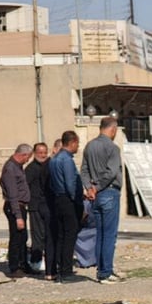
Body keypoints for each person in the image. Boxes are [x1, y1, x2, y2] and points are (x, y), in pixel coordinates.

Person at [81, 116, 123, 284]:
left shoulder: (89, 146)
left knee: (100, 234)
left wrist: (89, 188)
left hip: (95, 196)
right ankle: (106, 272)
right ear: (113, 129)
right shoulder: (113, 148)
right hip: (108, 192)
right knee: (109, 235)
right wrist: (97, 187)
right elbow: (111, 172)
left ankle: (102, 270)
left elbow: (83, 170)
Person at [48, 130, 86, 282]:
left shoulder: (54, 159)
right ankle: (66, 271)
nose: (78, 147)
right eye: (77, 143)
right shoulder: (67, 160)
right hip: (67, 201)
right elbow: (71, 184)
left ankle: (61, 268)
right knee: (70, 236)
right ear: (72, 143)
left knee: (62, 236)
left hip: (58, 199)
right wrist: (77, 201)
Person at [0, 143, 33, 278]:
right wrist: (18, 216)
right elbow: (13, 195)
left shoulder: (17, 167)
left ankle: (23, 264)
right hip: (15, 207)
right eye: (28, 157)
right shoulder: (10, 169)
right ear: (23, 155)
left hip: (20, 206)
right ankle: (14, 267)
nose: (28, 160)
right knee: (16, 238)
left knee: (23, 237)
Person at [24, 142, 53, 276]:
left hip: (47, 205)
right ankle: (35, 263)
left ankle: (49, 262)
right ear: (35, 153)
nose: (43, 155)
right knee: (37, 235)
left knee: (48, 235)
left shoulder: (50, 165)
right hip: (35, 206)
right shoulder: (30, 169)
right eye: (40, 152)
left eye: (44, 152)